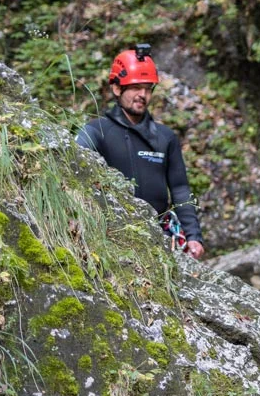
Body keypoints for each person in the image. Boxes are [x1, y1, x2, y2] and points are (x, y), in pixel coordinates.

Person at [77, 44, 205, 259]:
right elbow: (75, 172)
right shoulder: (96, 132)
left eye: (147, 88)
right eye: (136, 87)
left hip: (161, 236)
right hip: (113, 235)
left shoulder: (166, 137)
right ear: (118, 89)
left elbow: (180, 188)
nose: (142, 95)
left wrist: (193, 235)